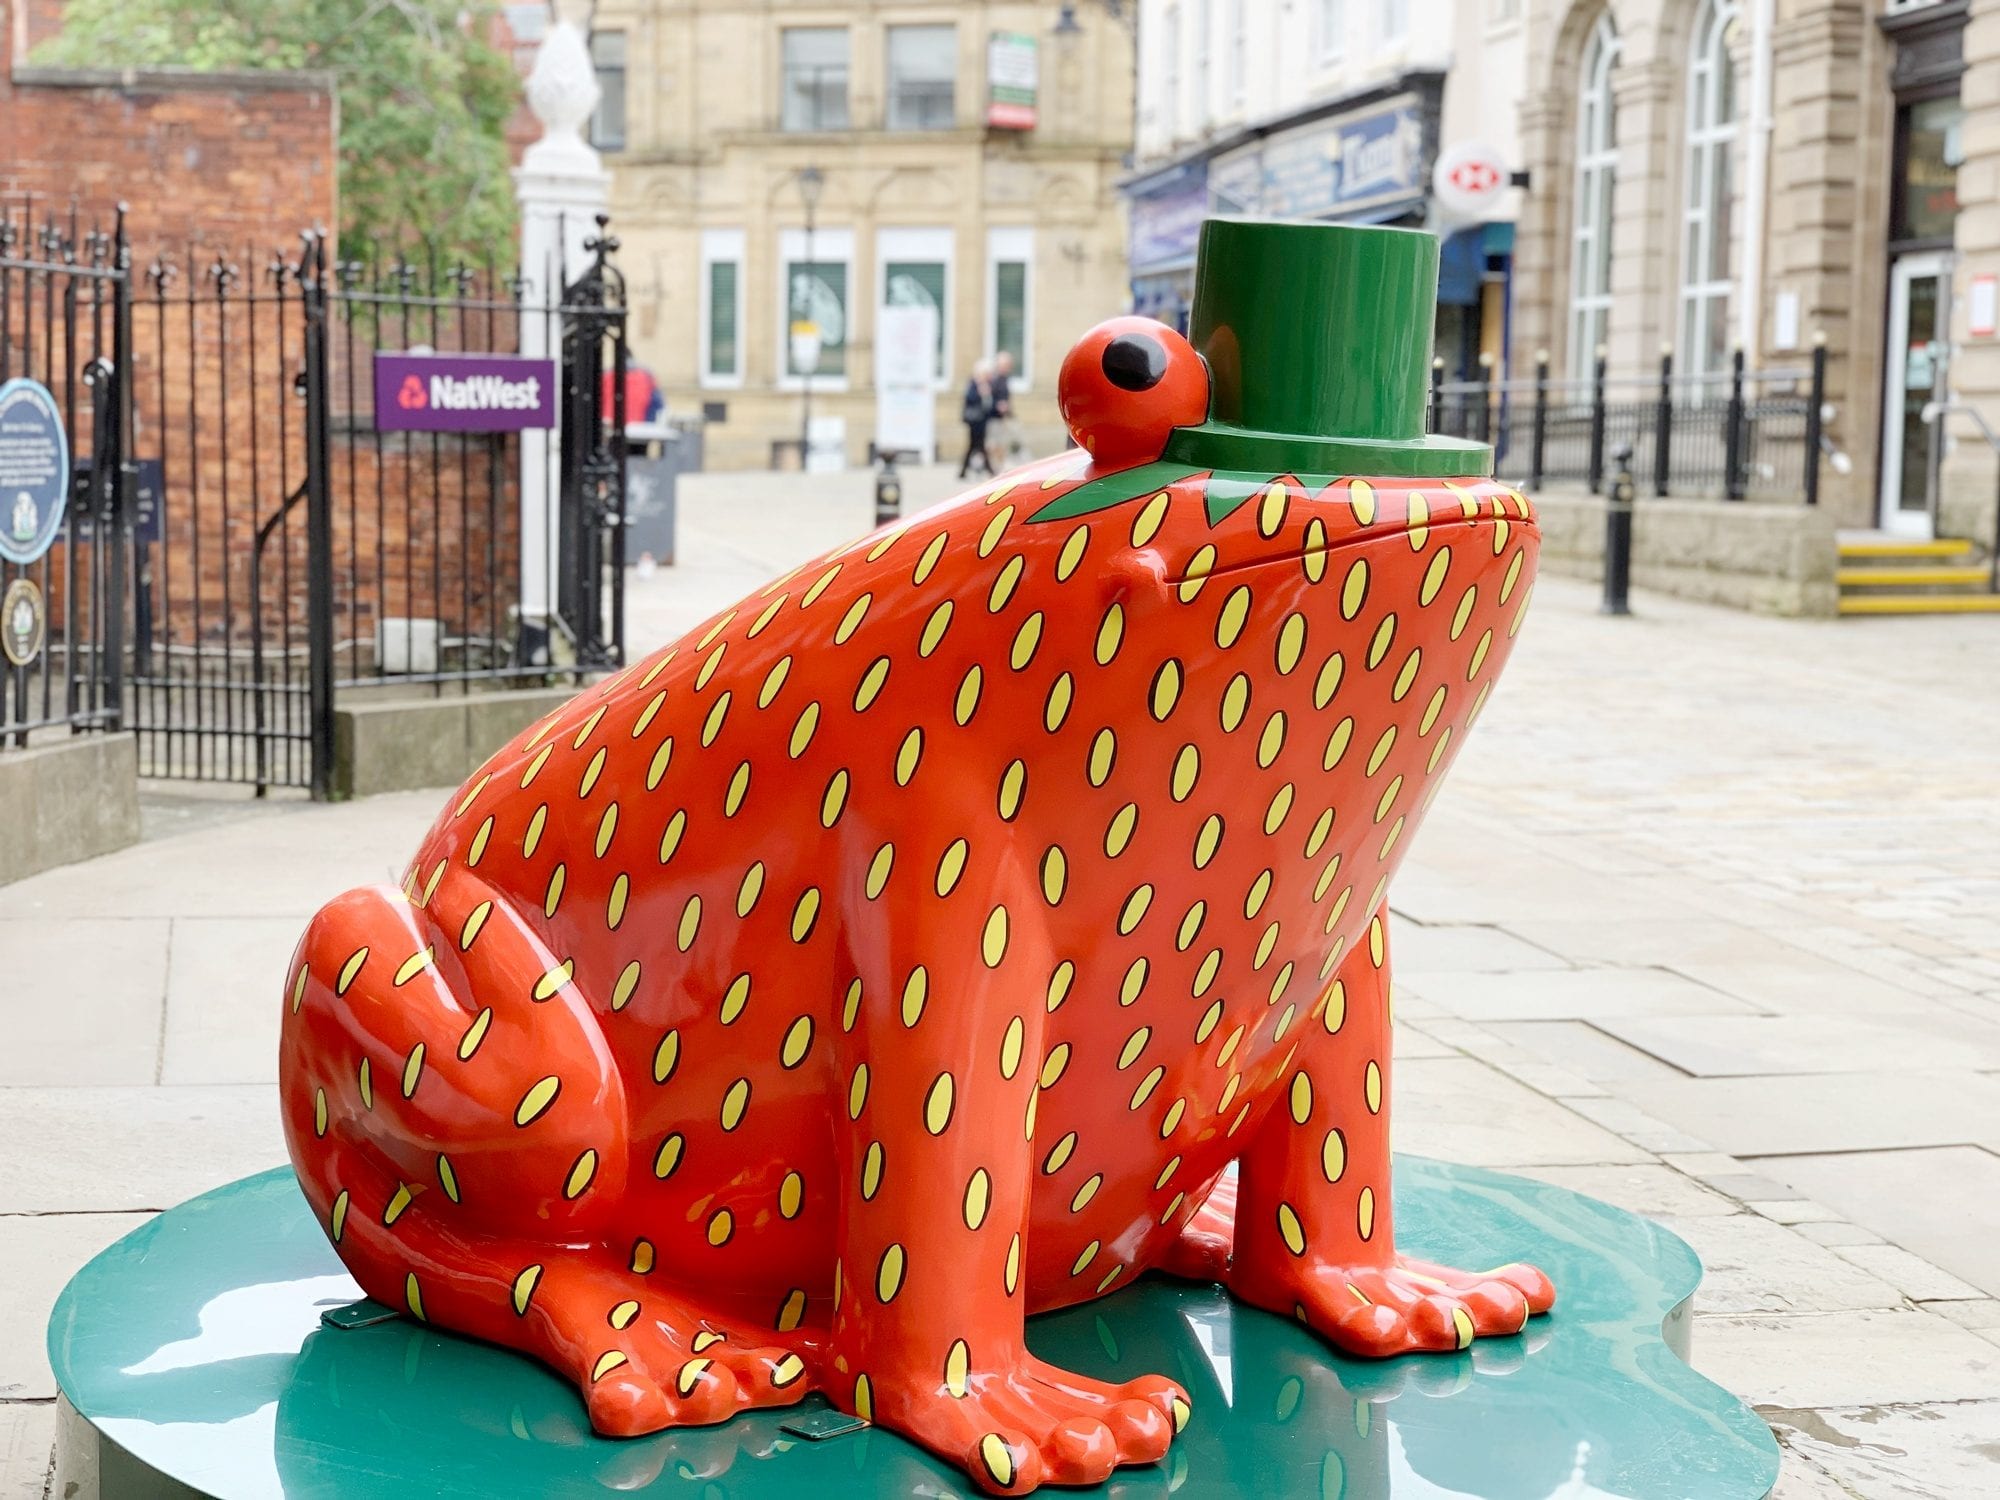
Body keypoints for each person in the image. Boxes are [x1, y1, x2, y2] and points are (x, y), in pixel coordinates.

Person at [959, 359, 995, 478]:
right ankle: (990, 470)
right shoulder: (973, 383)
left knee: (975, 446)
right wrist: (980, 393)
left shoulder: (988, 385)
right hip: (974, 421)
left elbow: (989, 404)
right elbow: (969, 399)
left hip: (982, 420)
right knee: (977, 445)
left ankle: (963, 471)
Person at [990, 350, 1021, 465]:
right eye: (1005, 365)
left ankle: (1001, 465)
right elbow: (990, 398)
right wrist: (998, 405)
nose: (1008, 367)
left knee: (1007, 442)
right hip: (995, 417)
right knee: (996, 444)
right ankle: (996, 467)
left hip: (1005, 416)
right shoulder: (994, 379)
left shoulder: (1005, 379)